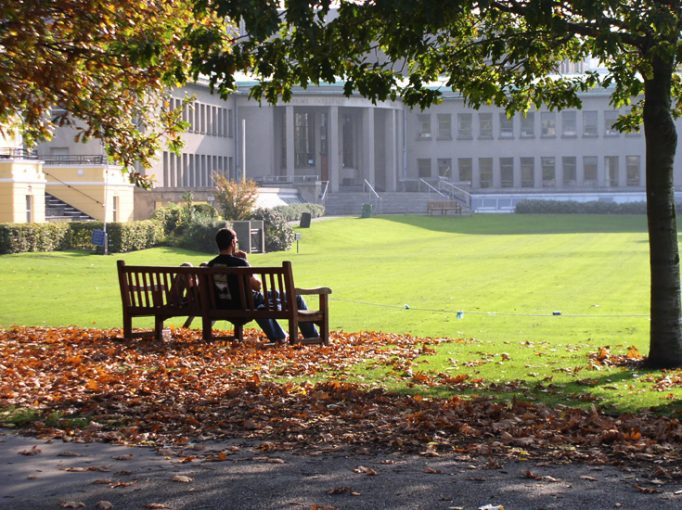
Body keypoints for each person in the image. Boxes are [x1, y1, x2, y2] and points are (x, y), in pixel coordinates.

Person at [207, 227, 318, 343]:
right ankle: (312, 337)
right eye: (237, 241)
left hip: (224, 305)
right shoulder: (240, 263)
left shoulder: (211, 265)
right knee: (296, 298)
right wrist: (247, 263)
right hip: (249, 304)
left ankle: (279, 335)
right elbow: (257, 286)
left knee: (262, 306)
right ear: (233, 243)